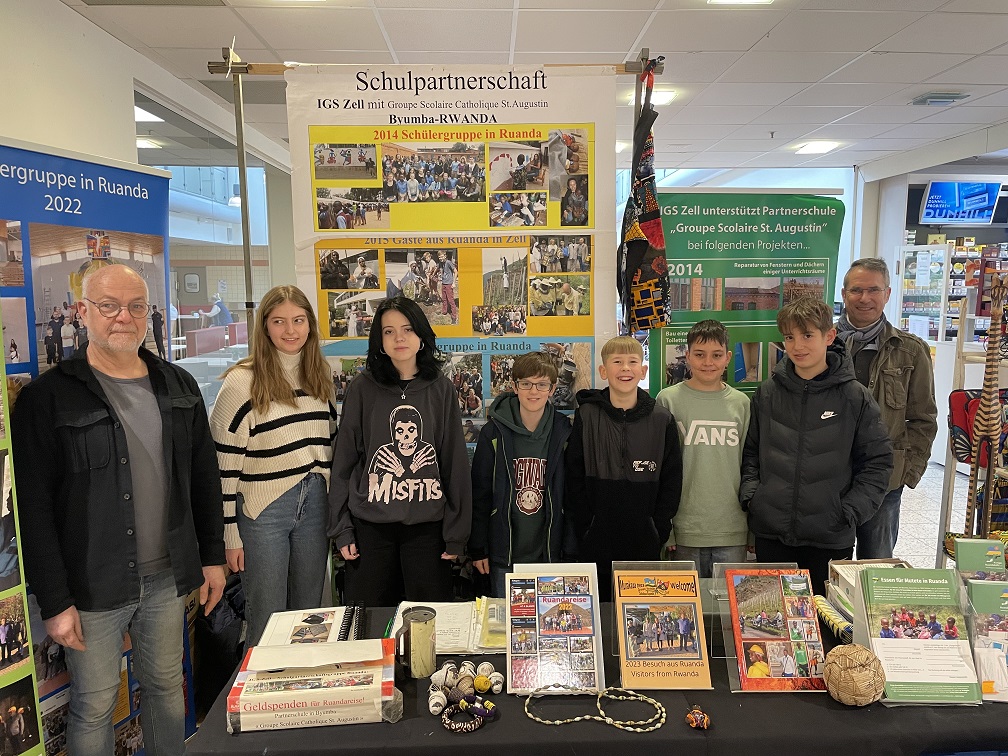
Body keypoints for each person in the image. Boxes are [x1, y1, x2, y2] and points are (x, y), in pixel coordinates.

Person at [10, 263, 226, 756]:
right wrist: (55, 601)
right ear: (82, 311)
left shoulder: (179, 386)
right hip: (91, 586)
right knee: (95, 704)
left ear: (148, 313)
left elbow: (203, 479)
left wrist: (212, 557)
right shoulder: (48, 399)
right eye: (108, 306)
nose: (123, 317)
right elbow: (34, 510)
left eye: (135, 307)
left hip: (167, 579)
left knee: (167, 687)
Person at [209, 285, 337, 646]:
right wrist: (229, 535)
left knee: (310, 618)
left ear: (310, 325)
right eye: (279, 321)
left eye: (298, 320)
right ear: (264, 326)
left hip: (315, 503)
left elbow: (328, 441)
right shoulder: (242, 381)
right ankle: (263, 683)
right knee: (267, 619)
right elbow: (223, 469)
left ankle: (304, 682)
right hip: (263, 511)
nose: (290, 330)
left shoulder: (319, 374)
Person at [740, 297, 893, 594]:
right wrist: (753, 498)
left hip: (830, 536)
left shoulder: (855, 397)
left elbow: (877, 462)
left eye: (808, 335)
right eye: (789, 337)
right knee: (772, 616)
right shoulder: (768, 393)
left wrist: (849, 511)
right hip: (772, 533)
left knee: (826, 618)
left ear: (829, 336)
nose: (797, 346)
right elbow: (751, 453)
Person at [329, 296, 471, 606]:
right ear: (379, 341)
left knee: (428, 619)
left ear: (421, 335)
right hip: (370, 527)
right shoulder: (361, 388)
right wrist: (341, 529)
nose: (399, 338)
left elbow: (454, 463)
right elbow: (344, 463)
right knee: (369, 620)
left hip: (427, 528)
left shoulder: (441, 388)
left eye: (407, 329)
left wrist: (456, 534)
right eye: (389, 331)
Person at [565, 336, 682, 601]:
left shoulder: (662, 419)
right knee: (601, 612)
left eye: (632, 362)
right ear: (603, 371)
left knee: (641, 613)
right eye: (617, 362)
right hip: (595, 540)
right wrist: (586, 525)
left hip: (645, 541)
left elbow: (672, 480)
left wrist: (658, 529)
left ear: (643, 370)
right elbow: (574, 475)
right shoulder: (587, 416)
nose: (625, 368)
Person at [838, 258, 938, 559]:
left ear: (888, 294)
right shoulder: (822, 345)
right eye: (856, 290)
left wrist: (908, 472)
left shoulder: (910, 351)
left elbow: (923, 419)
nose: (864, 298)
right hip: (830, 477)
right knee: (830, 564)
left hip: (885, 482)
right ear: (844, 294)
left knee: (876, 564)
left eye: (873, 290)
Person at [470, 352, 573, 598]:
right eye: (526, 383)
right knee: (503, 620)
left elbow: (572, 495)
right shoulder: (493, 432)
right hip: (504, 554)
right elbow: (480, 493)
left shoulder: (564, 432)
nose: (533, 391)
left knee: (550, 619)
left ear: (552, 388)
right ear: (515, 387)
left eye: (541, 384)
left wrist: (571, 548)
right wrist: (478, 547)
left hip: (550, 553)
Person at [657, 320, 750, 578]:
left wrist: (752, 529)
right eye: (699, 354)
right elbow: (661, 469)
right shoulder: (667, 400)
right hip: (684, 529)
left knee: (726, 604)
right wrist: (667, 529)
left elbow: (751, 467)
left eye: (716, 355)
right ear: (687, 356)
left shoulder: (741, 404)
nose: (708, 362)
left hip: (732, 530)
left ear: (728, 358)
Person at [438, 250, 458, 324]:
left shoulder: (449, 262)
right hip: (443, 283)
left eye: (442, 257)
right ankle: (444, 311)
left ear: (445, 256)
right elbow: (441, 271)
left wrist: (454, 282)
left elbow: (456, 271)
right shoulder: (441, 263)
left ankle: (454, 317)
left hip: (449, 284)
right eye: (439, 257)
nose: (440, 258)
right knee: (444, 299)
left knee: (451, 300)